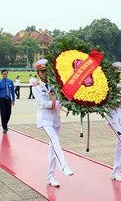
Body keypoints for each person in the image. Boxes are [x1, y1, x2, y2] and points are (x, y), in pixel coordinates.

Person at [32, 59, 73, 187]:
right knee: (55, 140)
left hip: (55, 118)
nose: (44, 73)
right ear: (38, 73)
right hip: (44, 119)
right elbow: (43, 103)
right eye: (42, 71)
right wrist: (60, 103)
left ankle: (50, 176)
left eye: (46, 71)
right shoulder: (36, 87)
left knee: (53, 148)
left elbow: (60, 98)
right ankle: (64, 166)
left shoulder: (54, 85)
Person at [0, 69, 15, 134]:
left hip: (8, 99)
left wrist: (13, 100)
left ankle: (5, 123)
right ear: (2, 74)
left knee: (9, 113)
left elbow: (12, 91)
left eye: (6, 74)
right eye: (4, 74)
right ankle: (5, 127)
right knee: (3, 113)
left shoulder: (10, 82)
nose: (5, 75)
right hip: (2, 99)